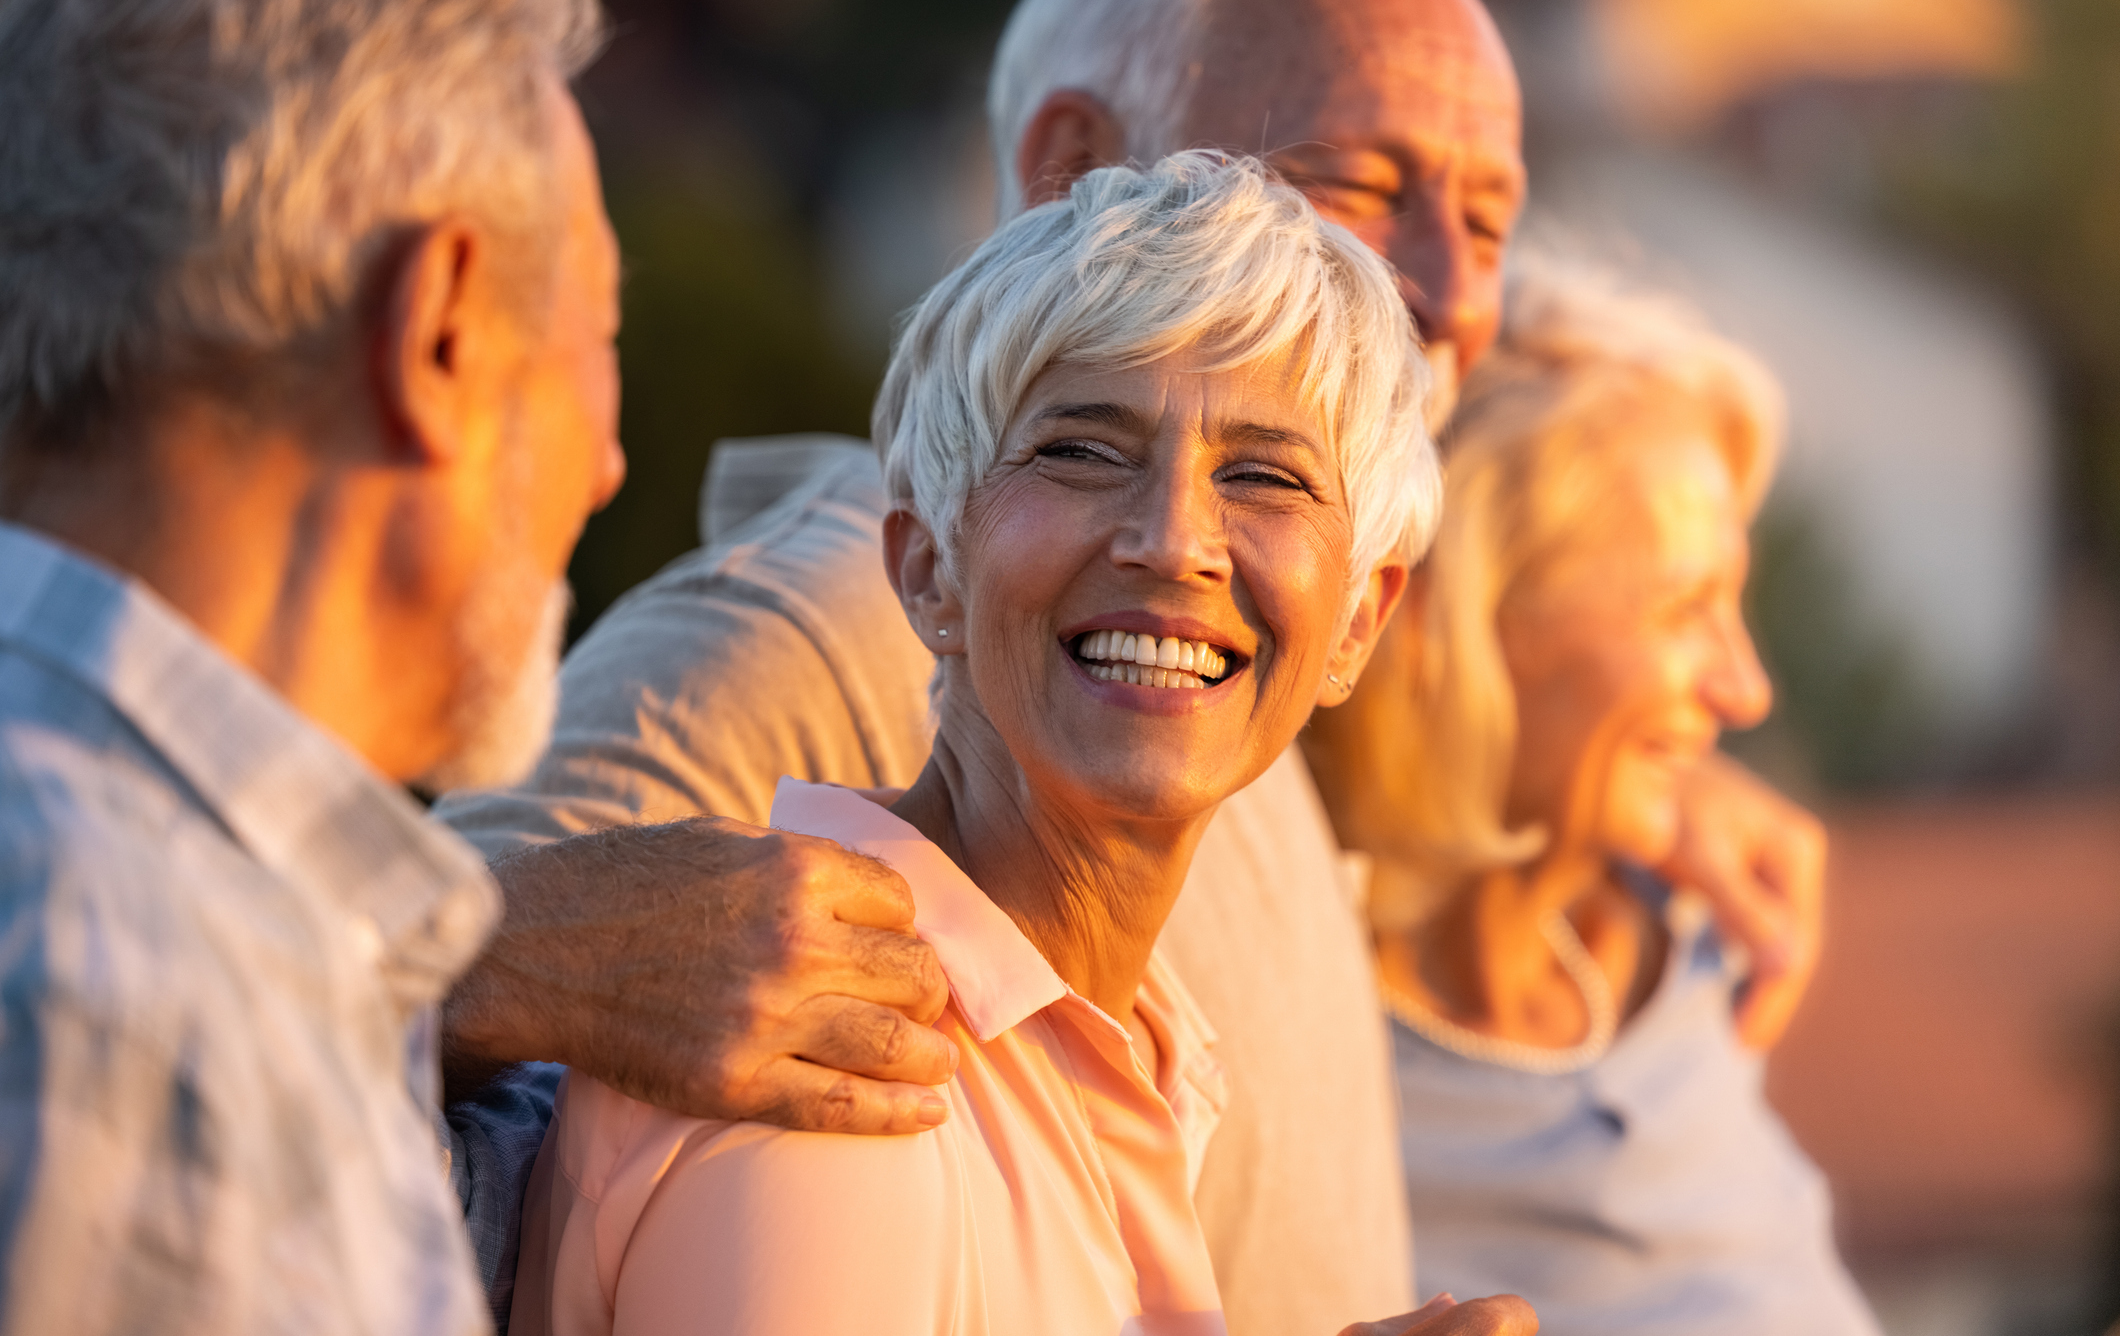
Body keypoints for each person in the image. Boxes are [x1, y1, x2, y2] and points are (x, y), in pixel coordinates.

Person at [439, 0, 1827, 1330]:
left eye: (1484, 218)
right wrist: (502, 947)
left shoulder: (1170, 826)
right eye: (1361, 184)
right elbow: (381, 1078)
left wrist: (1633, 758)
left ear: (1360, 616)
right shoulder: (805, 678)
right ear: (1075, 174)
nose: (1463, 291)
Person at [510, 151, 1529, 1336]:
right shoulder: (840, 1065)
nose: (1172, 541)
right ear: (927, 564)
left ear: (1358, 616)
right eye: (1081, 451)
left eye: (1262, 475)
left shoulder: (1120, 1038)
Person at [0, 0, 643, 1326]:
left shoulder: (190, 929)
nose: (610, 464)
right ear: (441, 331)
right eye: (597, 339)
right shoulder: (116, 984)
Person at [1303, 265, 1879, 1334]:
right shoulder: (1291, 1047)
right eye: (1682, 608)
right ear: (1445, 627)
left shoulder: (1685, 938)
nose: (1743, 689)